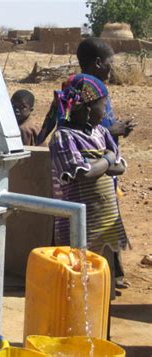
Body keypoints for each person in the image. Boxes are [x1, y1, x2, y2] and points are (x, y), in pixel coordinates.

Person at [48, 73, 128, 300]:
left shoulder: (101, 133)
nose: (107, 113)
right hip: (77, 224)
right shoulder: (63, 138)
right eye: (104, 106)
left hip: (105, 220)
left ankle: (103, 330)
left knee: (103, 283)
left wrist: (102, 162)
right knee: (78, 283)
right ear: (89, 108)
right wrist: (107, 159)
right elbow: (83, 173)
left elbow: (120, 168)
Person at [37, 37, 136, 145]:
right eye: (110, 62)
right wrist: (111, 131)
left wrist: (117, 126)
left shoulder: (96, 88)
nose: (112, 68)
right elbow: (77, 133)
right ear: (98, 62)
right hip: (88, 156)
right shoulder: (78, 88)